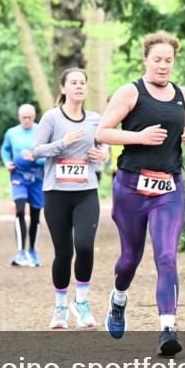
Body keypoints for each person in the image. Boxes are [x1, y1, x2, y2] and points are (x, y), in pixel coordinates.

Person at [96, 31, 185, 357]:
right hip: (131, 187)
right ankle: (118, 298)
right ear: (146, 59)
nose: (163, 66)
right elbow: (103, 132)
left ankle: (168, 327)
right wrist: (138, 137)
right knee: (130, 258)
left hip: (169, 186)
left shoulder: (184, 94)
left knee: (166, 255)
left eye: (169, 60)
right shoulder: (130, 92)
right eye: (157, 60)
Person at [32, 69, 109, 329]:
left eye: (83, 83)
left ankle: (82, 302)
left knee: (85, 246)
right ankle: (60, 308)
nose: (79, 87)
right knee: (63, 253)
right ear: (63, 88)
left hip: (86, 191)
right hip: (56, 193)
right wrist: (62, 143)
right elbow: (36, 151)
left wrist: (103, 156)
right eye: (73, 83)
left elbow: (103, 146)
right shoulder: (52, 118)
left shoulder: (96, 119)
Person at [1, 104, 46, 267]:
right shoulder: (11, 133)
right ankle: (20, 252)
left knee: (35, 215)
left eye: (30, 117)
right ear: (19, 117)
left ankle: (32, 251)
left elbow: (50, 156)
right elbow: (5, 150)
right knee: (19, 211)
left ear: (34, 117)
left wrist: (35, 158)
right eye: (23, 117)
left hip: (37, 177)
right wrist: (7, 162)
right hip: (18, 176)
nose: (26, 120)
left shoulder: (42, 131)